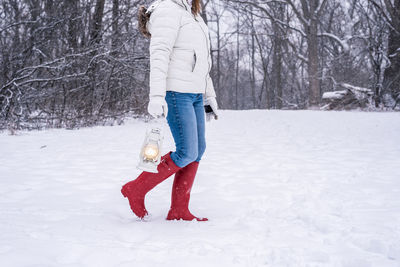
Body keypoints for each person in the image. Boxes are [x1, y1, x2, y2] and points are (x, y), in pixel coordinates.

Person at [121, 0, 218, 221]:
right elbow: (159, 54)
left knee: (197, 150)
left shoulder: (193, 14)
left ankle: (179, 210)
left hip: (194, 92)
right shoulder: (167, 9)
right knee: (186, 152)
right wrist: (156, 95)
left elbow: (203, 62)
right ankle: (136, 189)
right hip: (175, 91)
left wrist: (208, 95)